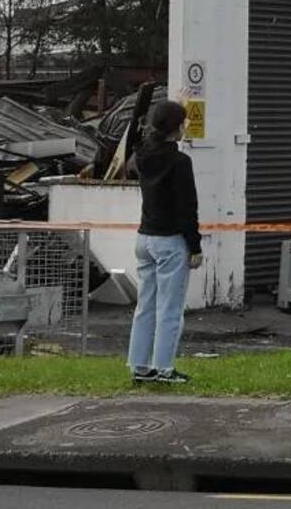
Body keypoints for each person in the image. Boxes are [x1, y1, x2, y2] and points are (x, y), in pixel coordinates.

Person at [128, 99, 202, 384]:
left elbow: (138, 128)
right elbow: (187, 207)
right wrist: (194, 246)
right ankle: (164, 369)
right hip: (171, 242)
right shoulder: (180, 162)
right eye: (183, 122)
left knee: (145, 306)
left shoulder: (142, 154)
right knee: (170, 309)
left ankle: (140, 366)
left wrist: (172, 107)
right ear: (177, 128)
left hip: (144, 237)